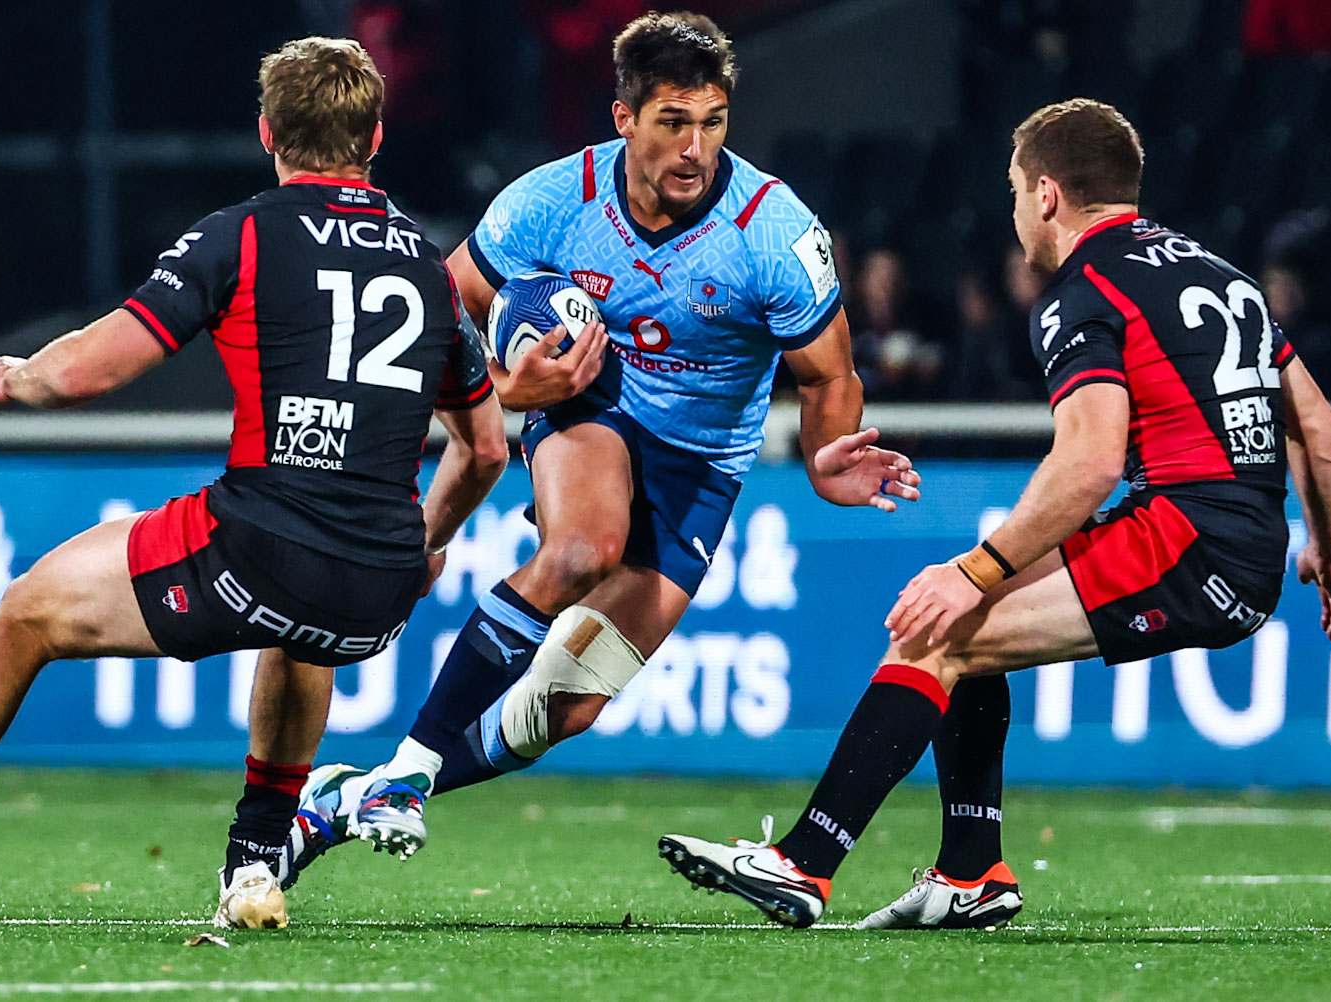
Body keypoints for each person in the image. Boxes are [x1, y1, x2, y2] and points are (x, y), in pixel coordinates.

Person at [0, 37, 508, 931]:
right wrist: (426, 547)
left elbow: (88, 370)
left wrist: (19, 377)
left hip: (260, 542)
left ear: (267, 131)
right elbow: (483, 450)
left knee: (24, 617)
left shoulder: (241, 233)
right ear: (376, 137)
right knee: (300, 633)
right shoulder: (430, 271)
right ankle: (254, 866)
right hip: (377, 584)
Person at [657, 98, 1331, 929]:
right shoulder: (1218, 274)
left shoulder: (1083, 289)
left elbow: (1089, 462)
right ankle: (971, 873)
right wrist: (1324, 547)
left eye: (1017, 189)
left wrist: (976, 566)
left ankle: (802, 865)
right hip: (1238, 536)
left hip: (1185, 536)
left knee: (938, 628)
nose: (1015, 208)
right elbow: (1317, 426)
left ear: (1048, 195)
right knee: (966, 630)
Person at [276, 11, 918, 882]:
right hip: (591, 407)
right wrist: (507, 390)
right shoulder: (551, 202)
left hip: (703, 467)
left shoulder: (772, 232)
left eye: (713, 122)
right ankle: (414, 769)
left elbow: (830, 376)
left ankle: (357, 795)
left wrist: (825, 458)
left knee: (558, 712)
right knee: (583, 548)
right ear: (625, 119)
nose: (696, 148)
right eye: (673, 123)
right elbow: (441, 309)